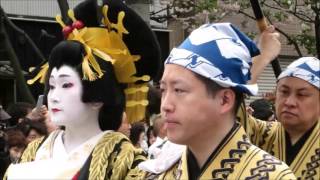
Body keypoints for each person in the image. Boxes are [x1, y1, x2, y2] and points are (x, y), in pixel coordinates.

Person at [4, 0, 160, 179]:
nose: (54, 96)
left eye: (66, 85)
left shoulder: (125, 158)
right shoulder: (35, 149)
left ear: (97, 96)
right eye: (52, 86)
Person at [143, 23, 295, 179]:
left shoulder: (271, 176)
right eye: (163, 90)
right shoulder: (157, 171)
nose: (166, 106)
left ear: (224, 100)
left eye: (179, 90)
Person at [238, 56, 319, 179]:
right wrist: (263, 56)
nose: (289, 102)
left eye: (301, 94)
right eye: (284, 92)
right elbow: (230, 110)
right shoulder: (262, 133)